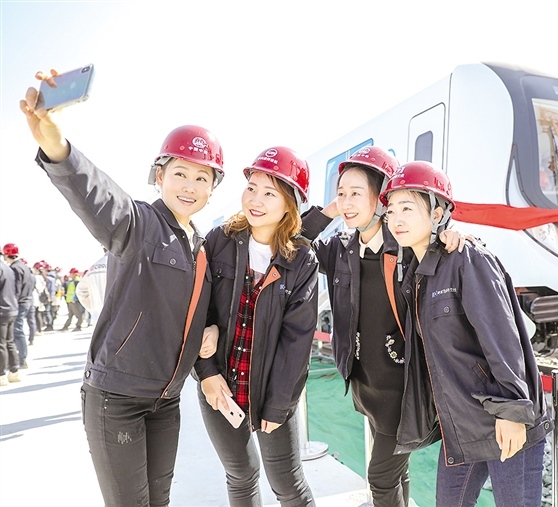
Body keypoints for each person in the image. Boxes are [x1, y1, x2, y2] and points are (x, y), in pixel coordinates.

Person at [20, 70, 223, 506]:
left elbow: (198, 311)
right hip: (117, 398)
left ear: (212, 189)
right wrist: (57, 145)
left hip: (166, 400)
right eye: (181, 173)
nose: (190, 186)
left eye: (202, 178)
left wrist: (210, 329)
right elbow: (94, 193)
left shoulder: (202, 248)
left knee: (159, 501)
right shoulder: (138, 224)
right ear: (159, 176)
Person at [300, 147, 467, 507]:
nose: (346, 202)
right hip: (367, 386)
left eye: (356, 193)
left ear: (382, 198)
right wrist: (331, 211)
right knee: (396, 474)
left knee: (380, 477)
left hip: (402, 389)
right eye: (341, 193)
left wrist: (455, 235)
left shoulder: (407, 246)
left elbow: (449, 247)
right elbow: (295, 243)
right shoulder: (340, 250)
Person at [381, 161, 552, 507]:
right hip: (462, 424)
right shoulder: (417, 274)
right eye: (391, 210)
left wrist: (512, 412)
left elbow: (503, 338)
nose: (397, 219)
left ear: (438, 213)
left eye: (407, 208)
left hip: (503, 418)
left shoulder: (467, 259)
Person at [195, 146, 319, 506]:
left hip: (271, 390)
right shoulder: (219, 241)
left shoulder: (301, 260)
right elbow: (196, 311)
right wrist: (206, 373)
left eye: (269, 193)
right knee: (241, 475)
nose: (256, 200)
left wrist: (278, 406)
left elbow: (297, 341)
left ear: (290, 205)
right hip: (221, 385)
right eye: (252, 188)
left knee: (288, 482)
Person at [2, 244, 34, 369]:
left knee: (17, 332)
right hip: (27, 301)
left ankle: (21, 360)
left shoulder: (14, 268)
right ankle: (18, 359)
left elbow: (16, 288)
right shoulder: (24, 266)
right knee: (16, 331)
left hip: (19, 303)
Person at [0, 258, 21, 386]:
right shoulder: (8, 268)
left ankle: (1, 374)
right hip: (11, 308)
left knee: (1, 343)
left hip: (2, 310)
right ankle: (14, 371)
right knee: (9, 341)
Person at [76, 248, 108, 323]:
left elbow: (81, 291)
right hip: (118, 320)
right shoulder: (121, 265)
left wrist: (94, 309)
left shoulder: (93, 267)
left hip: (98, 318)